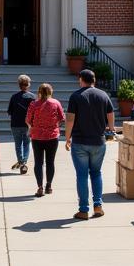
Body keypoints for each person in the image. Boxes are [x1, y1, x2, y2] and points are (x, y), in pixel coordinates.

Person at [65, 69, 115, 220]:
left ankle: (83, 210)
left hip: (80, 141)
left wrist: (67, 137)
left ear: (81, 79)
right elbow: (111, 114)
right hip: (99, 141)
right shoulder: (103, 95)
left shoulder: (76, 96)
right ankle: (98, 206)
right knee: (96, 173)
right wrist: (111, 131)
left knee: (81, 175)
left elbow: (70, 119)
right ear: (94, 80)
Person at [26, 82, 64, 197]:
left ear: (39, 92)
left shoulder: (34, 104)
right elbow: (62, 117)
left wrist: (31, 127)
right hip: (52, 136)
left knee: (38, 162)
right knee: (50, 162)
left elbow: (28, 119)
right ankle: (49, 185)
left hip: (37, 136)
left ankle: (40, 187)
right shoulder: (56, 103)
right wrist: (55, 124)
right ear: (50, 91)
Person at [7, 75, 36, 175]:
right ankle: (24, 162)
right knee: (27, 143)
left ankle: (20, 160)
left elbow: (9, 111)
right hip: (28, 124)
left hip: (15, 123)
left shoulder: (14, 97)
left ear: (19, 85)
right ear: (28, 85)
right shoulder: (33, 97)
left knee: (18, 144)